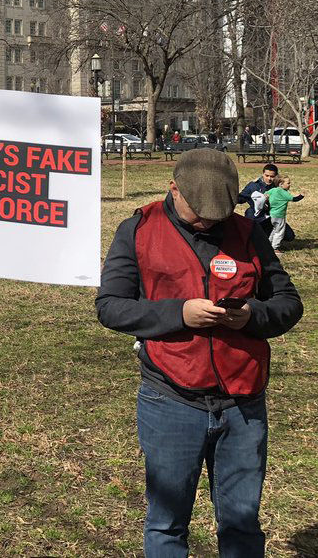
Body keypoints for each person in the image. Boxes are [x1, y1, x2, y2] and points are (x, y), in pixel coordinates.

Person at [96, 148, 303, 558]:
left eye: (218, 213)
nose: (209, 222)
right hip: (170, 399)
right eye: (200, 212)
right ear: (173, 188)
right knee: (167, 524)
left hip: (243, 402)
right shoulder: (138, 230)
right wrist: (179, 313)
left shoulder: (247, 232)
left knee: (242, 523)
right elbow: (111, 307)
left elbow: (289, 303)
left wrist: (252, 316)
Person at [236, 162, 278, 233]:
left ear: (276, 176)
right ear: (263, 174)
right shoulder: (253, 185)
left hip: (271, 215)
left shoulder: (278, 187)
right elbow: (241, 198)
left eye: (272, 176)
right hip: (254, 215)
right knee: (253, 232)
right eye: (267, 175)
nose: (269, 178)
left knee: (289, 235)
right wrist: (232, 196)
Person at [266, 176, 304, 249]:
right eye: (288, 183)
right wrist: (301, 196)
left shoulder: (273, 190)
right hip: (279, 216)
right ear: (281, 184)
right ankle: (275, 248)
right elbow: (294, 199)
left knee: (275, 230)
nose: (290, 185)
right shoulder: (284, 193)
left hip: (272, 215)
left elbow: (265, 195)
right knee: (280, 232)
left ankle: (268, 244)